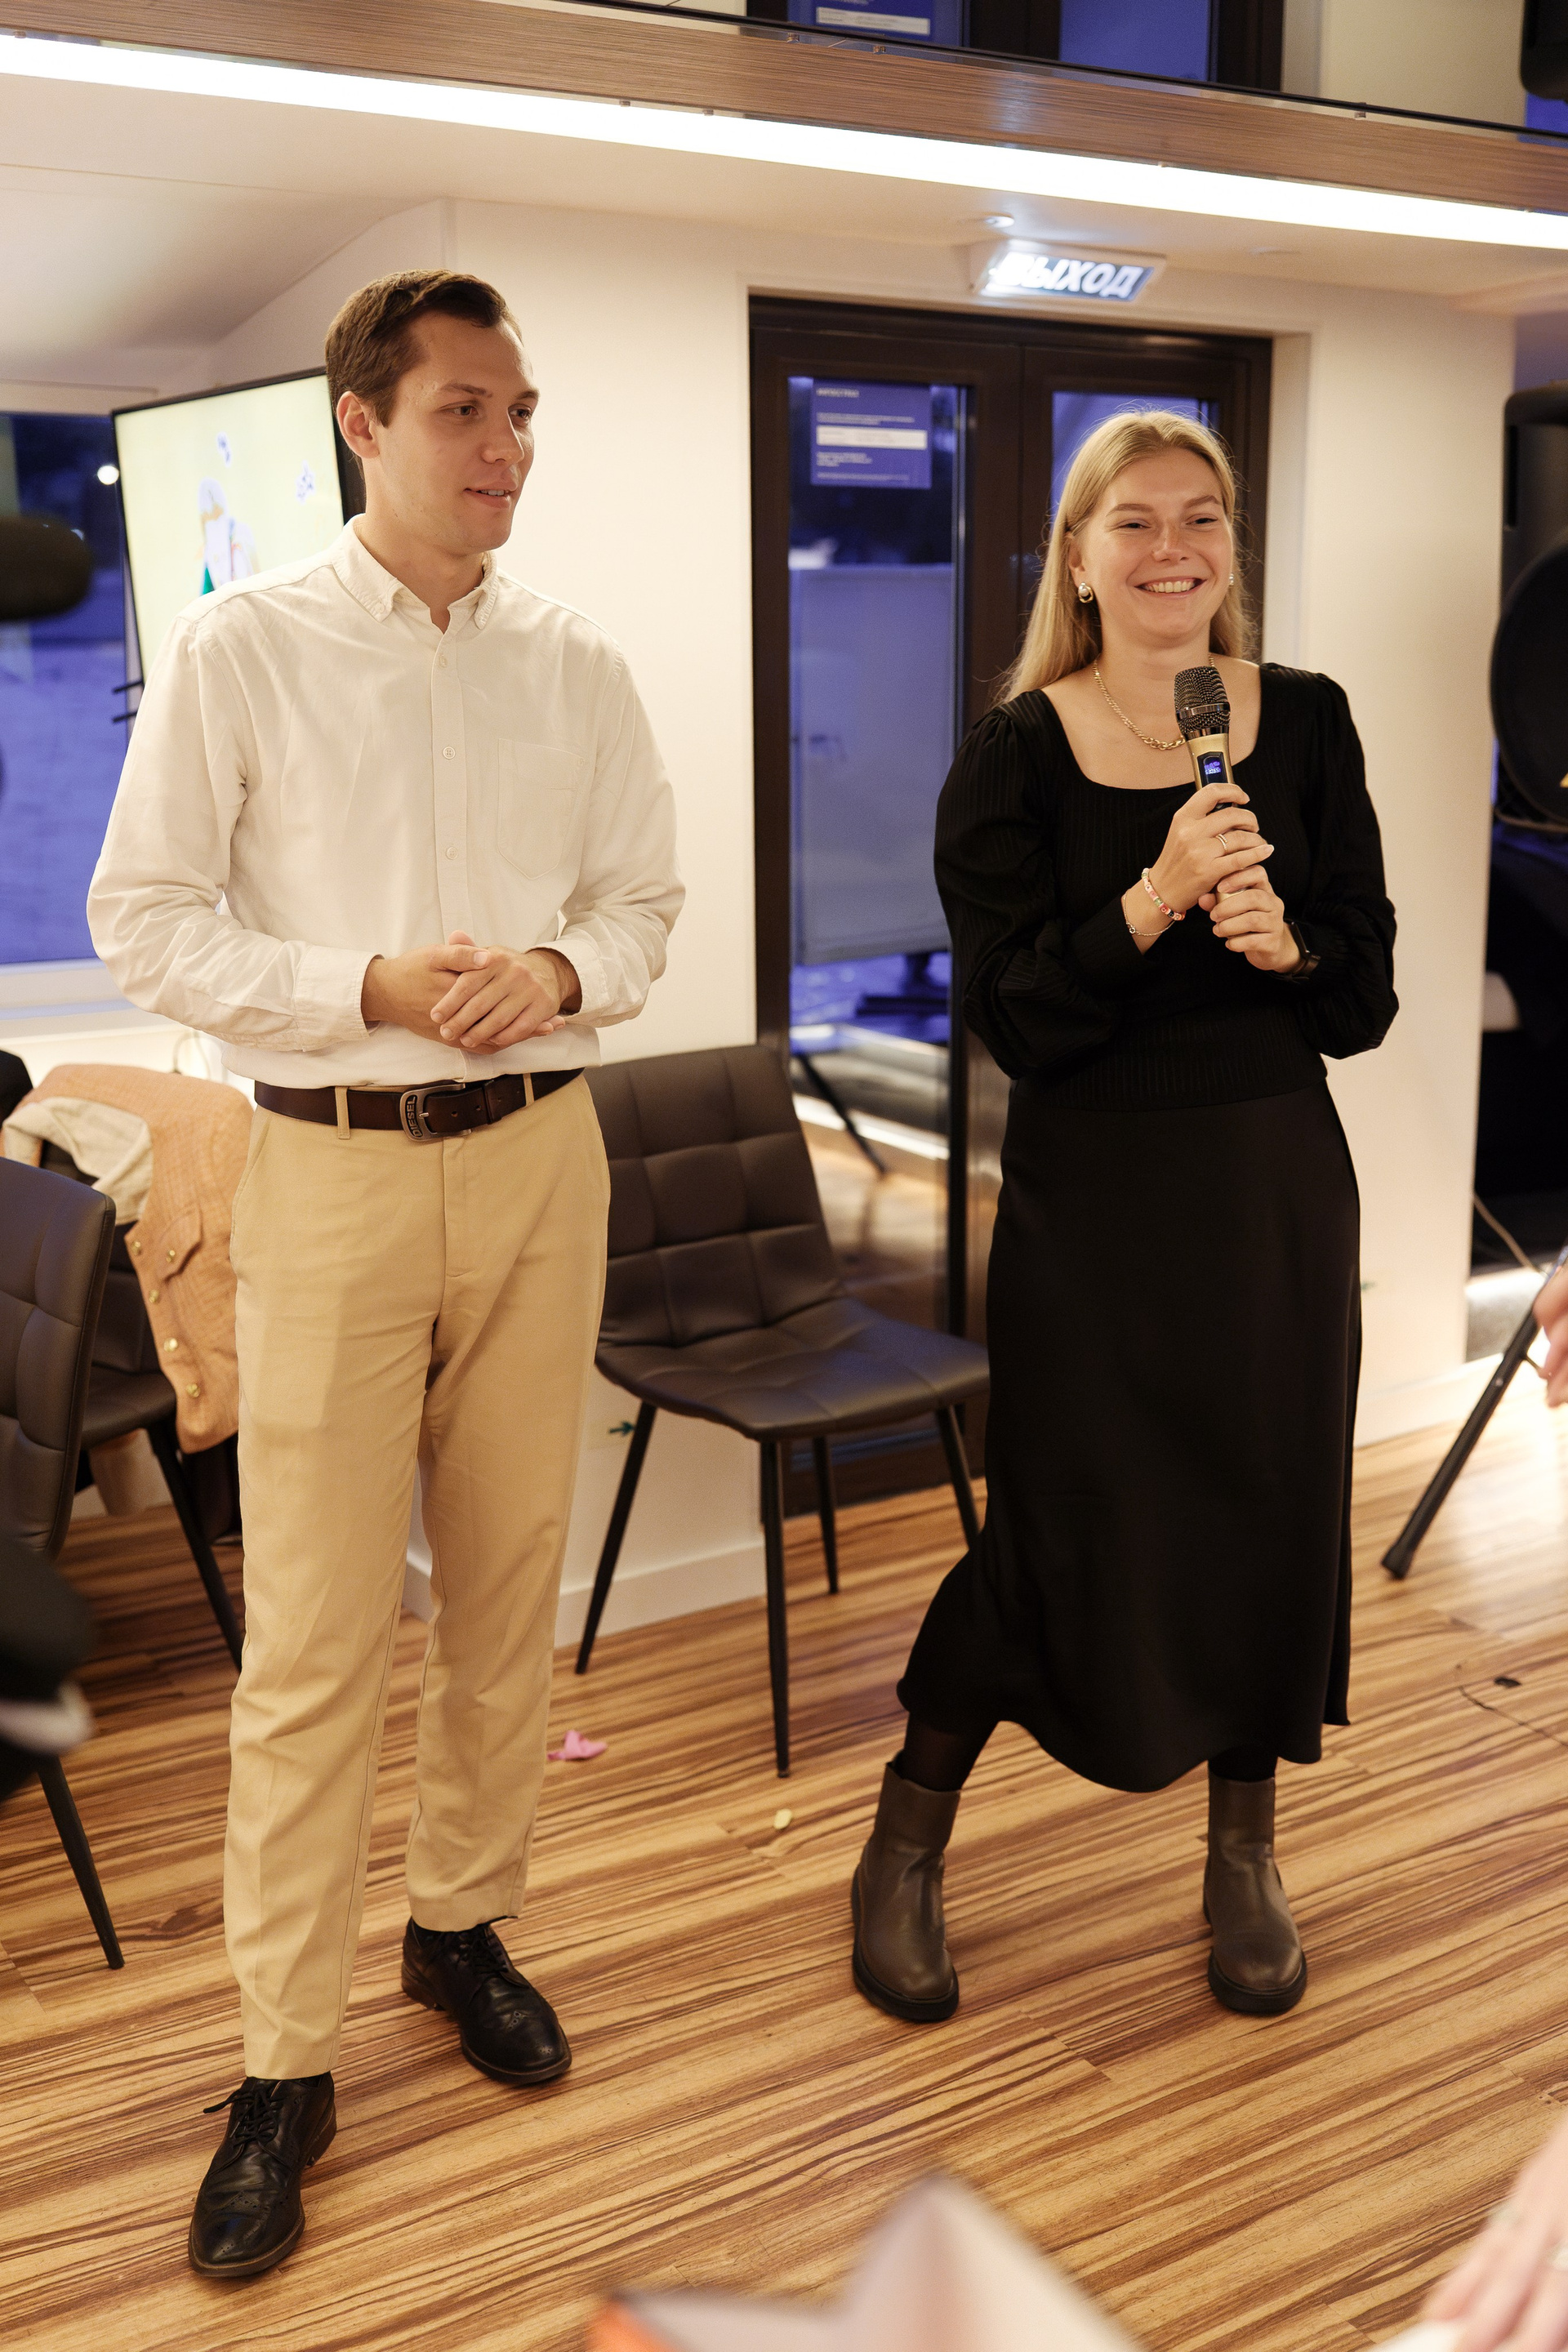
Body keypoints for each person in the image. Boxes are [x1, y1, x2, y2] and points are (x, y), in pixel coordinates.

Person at [87, 268, 682, 2278]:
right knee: (319, 1641)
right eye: (464, 411)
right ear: (364, 421)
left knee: (506, 1590)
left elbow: (644, 902)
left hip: (542, 1164)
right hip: (330, 1172)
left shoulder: (578, 663)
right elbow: (146, 920)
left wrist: (566, 966)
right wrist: (366, 985)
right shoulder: (244, 649)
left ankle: (458, 1925)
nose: (505, 447)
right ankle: (283, 2059)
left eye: (522, 413)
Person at [849, 408, 1396, 2029]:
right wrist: (1155, 898)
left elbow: (1363, 994)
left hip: (1271, 1190)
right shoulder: (1014, 756)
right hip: (1095, 1204)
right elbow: (1015, 1019)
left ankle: (1244, 1855)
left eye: (1202, 518)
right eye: (1136, 522)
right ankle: (905, 1841)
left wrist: (1291, 946)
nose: (1174, 550)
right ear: (1078, 560)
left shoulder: (1306, 722)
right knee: (1056, 1528)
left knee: (1269, 1510)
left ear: (1233, 547)